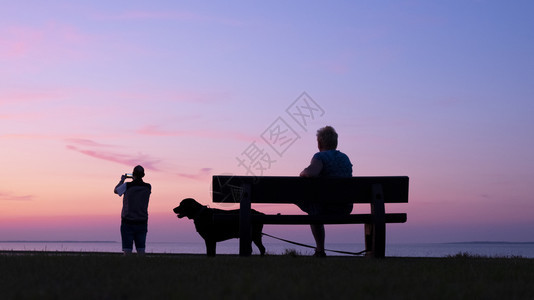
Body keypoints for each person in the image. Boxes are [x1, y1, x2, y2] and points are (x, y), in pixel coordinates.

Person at [297, 126, 353, 257]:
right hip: (345, 207)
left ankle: (320, 250)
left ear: (319, 143)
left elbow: (311, 173)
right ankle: (320, 250)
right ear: (335, 143)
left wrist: (302, 172)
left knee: (311, 206)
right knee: (314, 205)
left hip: (325, 207)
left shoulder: (320, 156)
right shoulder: (345, 158)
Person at [114, 165, 152, 255]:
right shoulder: (148, 187)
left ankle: (127, 268)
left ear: (133, 174)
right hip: (142, 221)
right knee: (141, 250)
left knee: (127, 250)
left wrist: (122, 180)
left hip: (128, 221)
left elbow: (116, 190)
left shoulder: (127, 185)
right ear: (143, 175)